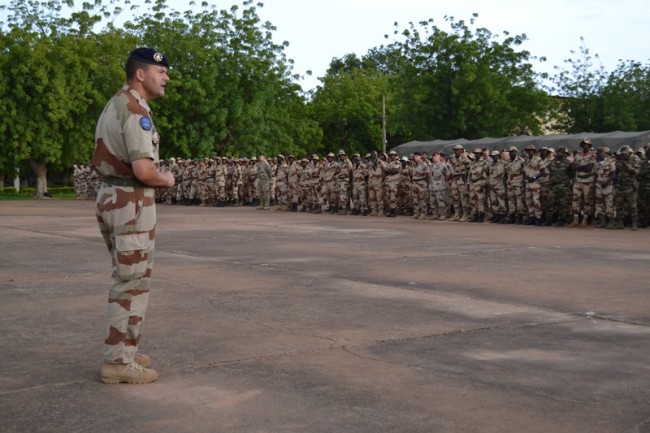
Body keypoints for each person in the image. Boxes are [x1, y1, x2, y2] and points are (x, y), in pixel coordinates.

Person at [92, 47, 174, 384]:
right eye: (161, 72)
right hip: (131, 202)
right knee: (131, 283)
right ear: (141, 74)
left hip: (116, 198)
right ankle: (117, 362)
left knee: (133, 278)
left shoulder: (118, 102)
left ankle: (126, 346)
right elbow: (144, 170)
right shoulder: (135, 109)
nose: (166, 77)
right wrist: (165, 179)